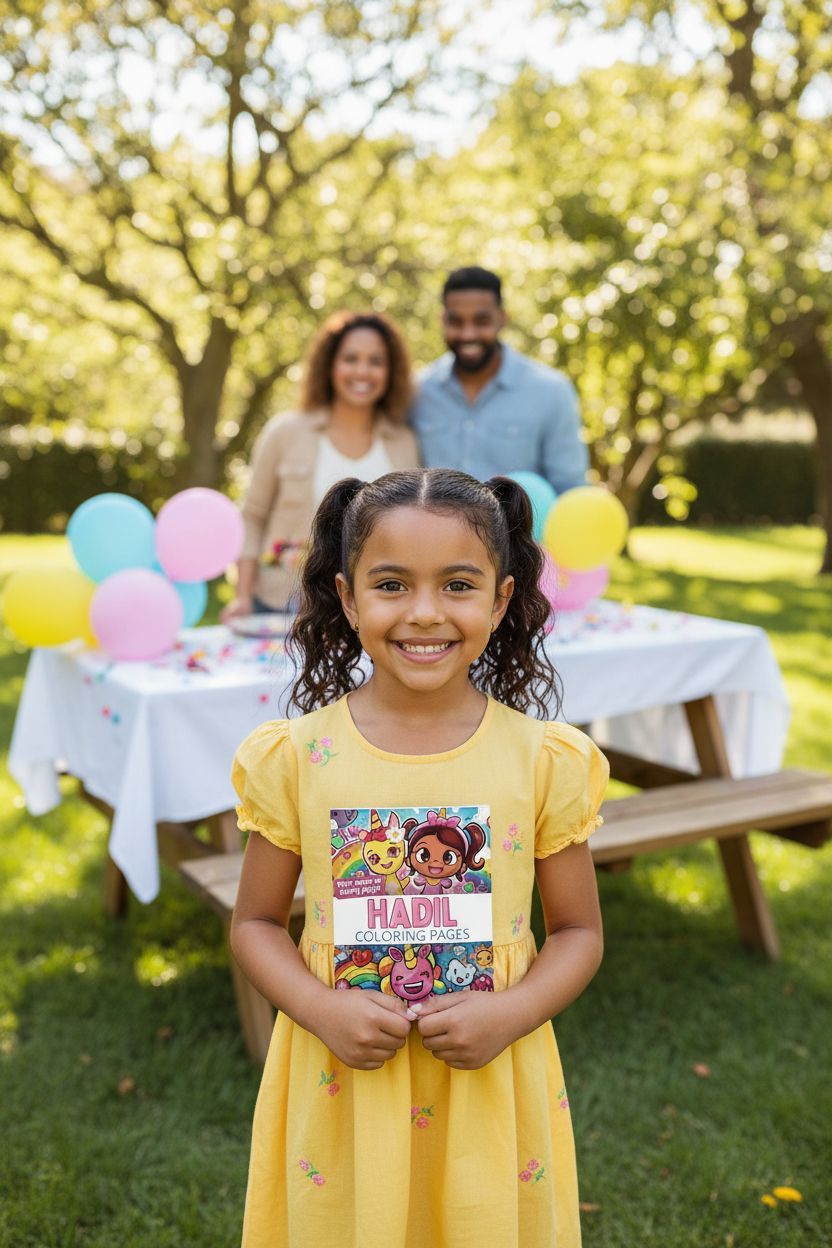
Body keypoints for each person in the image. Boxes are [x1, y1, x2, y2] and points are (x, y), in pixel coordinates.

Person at [230, 467, 609, 1248]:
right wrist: (321, 1009)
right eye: (393, 584)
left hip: (487, 1079)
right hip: (345, 1080)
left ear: (502, 600)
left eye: (459, 584)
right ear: (347, 595)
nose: (425, 613)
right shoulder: (298, 758)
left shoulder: (542, 760)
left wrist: (510, 1012)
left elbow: (579, 933)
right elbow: (255, 924)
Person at [221, 310, 420, 619]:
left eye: (376, 361)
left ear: (391, 372)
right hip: (281, 605)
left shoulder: (403, 442)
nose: (362, 371)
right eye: (350, 359)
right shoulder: (286, 432)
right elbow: (252, 517)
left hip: (373, 611)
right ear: (329, 365)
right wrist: (242, 596)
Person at [410, 267, 589, 494]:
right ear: (442, 320)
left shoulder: (551, 391)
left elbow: (570, 489)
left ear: (502, 318)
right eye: (456, 322)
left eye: (481, 321)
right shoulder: (416, 391)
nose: (468, 334)